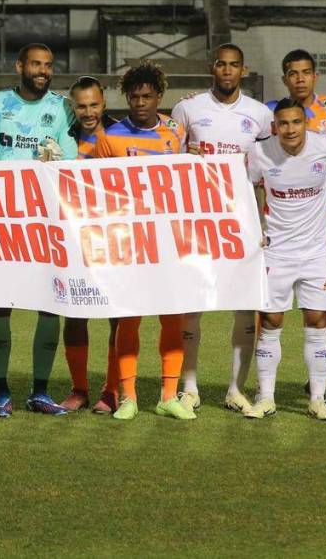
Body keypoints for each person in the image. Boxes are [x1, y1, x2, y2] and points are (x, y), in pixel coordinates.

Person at [171, 43, 273, 414]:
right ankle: (190, 387)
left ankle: (235, 388)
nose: (227, 71)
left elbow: (268, 171)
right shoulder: (188, 108)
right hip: (198, 220)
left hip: (243, 221)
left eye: (234, 66)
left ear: (243, 71)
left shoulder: (261, 116)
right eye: (221, 65)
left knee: (245, 306)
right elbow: (169, 159)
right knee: (193, 303)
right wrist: (185, 157)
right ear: (211, 68)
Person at [90, 61, 194, 421]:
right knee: (128, 320)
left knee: (172, 318)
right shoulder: (111, 138)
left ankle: (168, 395)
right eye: (134, 96)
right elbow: (95, 190)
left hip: (168, 241)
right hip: (129, 243)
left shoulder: (176, 133)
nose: (140, 102)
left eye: (147, 96)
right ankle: (128, 397)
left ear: (159, 97)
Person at [0, 42, 77, 417]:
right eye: (35, 64)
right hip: (4, 219)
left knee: (49, 305)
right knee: (1, 306)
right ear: (20, 65)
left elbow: (70, 161)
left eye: (48, 65)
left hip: (47, 220)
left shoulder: (61, 107)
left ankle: (40, 391)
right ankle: (1, 391)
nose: (42, 70)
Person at [242, 98, 326, 420]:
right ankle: (266, 398)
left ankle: (317, 398)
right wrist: (253, 227)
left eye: (296, 123)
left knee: (317, 322)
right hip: (276, 251)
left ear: (307, 124)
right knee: (271, 323)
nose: (290, 130)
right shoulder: (259, 152)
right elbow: (243, 189)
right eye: (284, 124)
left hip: (316, 252)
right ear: (275, 126)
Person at [58, 76, 122, 414]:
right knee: (75, 314)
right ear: (73, 107)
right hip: (73, 240)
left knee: (116, 315)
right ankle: (79, 388)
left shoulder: (118, 137)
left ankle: (112, 390)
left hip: (112, 240)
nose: (88, 112)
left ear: (104, 103)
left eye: (93, 104)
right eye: (81, 106)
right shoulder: (60, 140)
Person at [268, 49, 326, 170]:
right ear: (284, 80)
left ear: (315, 77)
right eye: (293, 74)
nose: (300, 79)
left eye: (306, 72)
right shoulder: (270, 111)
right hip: (284, 183)